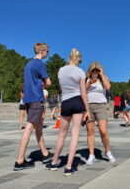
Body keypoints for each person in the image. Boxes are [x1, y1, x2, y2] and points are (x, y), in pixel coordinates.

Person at [45, 48, 90, 176]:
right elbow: (83, 93)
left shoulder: (61, 70)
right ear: (78, 58)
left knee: (61, 134)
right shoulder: (80, 72)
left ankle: (54, 163)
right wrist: (87, 110)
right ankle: (69, 167)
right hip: (77, 102)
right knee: (75, 134)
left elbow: (63, 87)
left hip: (65, 102)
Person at [14, 43, 52, 171]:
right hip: (36, 98)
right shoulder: (40, 64)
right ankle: (19, 160)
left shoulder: (28, 64)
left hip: (28, 98)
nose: (48, 53)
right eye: (47, 51)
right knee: (29, 128)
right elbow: (48, 82)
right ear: (42, 51)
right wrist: (45, 83)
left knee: (38, 126)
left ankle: (45, 154)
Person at [85, 61, 115, 165]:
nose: (95, 72)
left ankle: (107, 151)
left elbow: (108, 87)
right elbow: (82, 91)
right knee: (90, 131)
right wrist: (89, 83)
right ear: (90, 70)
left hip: (101, 105)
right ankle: (91, 154)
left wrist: (101, 75)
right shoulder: (86, 79)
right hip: (88, 106)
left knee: (103, 130)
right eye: (93, 70)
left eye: (97, 70)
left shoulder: (103, 78)